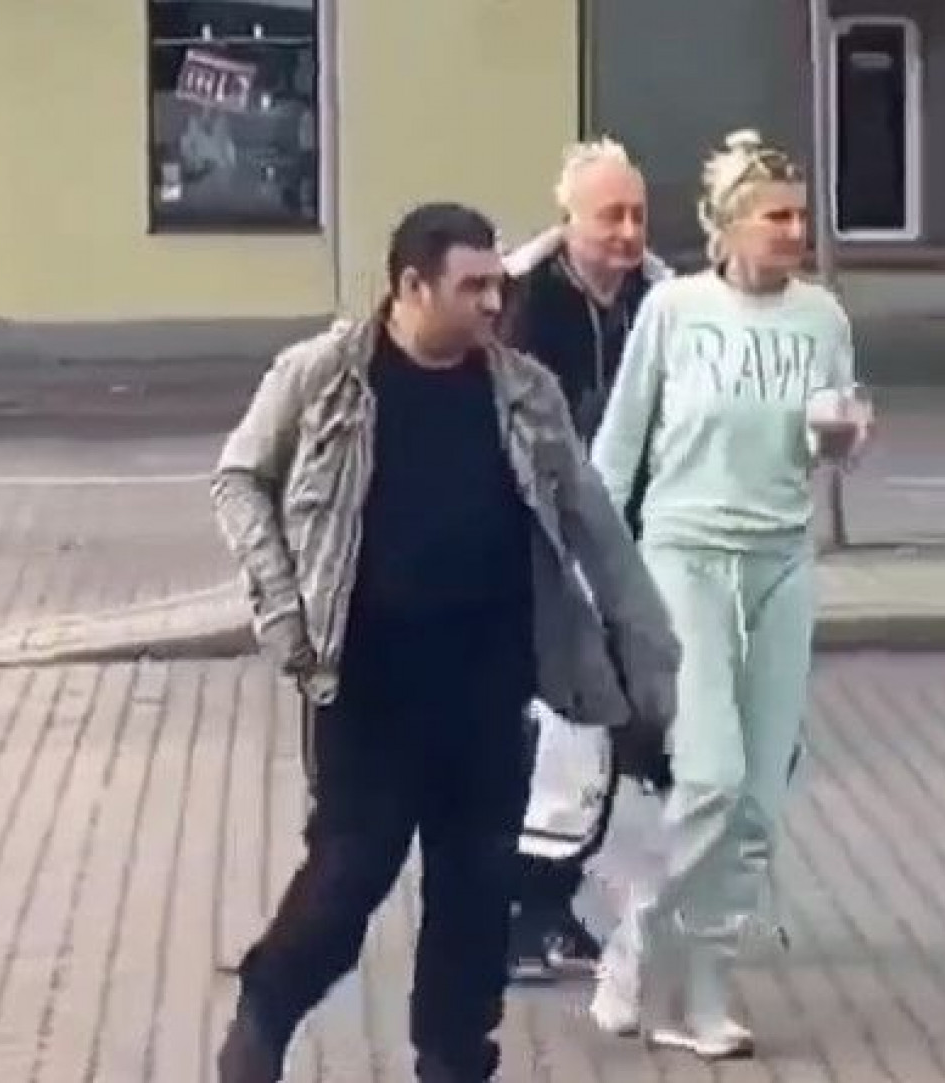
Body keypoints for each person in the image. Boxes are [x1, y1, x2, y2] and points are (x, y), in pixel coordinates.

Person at [210, 201, 680, 1083]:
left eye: (498, 284)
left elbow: (595, 527)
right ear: (411, 286)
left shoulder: (523, 391)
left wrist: (648, 663)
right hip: (370, 689)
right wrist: (282, 610)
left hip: (489, 689)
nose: (494, 303)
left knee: (474, 894)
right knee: (347, 879)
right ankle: (265, 1013)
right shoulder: (324, 376)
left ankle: (454, 1061)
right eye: (473, 287)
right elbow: (239, 477)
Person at [587, 130, 874, 1059]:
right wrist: (601, 575)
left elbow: (833, 435)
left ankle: (701, 988)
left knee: (755, 800)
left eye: (802, 216)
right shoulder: (675, 310)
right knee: (708, 776)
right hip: (684, 555)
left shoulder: (822, 317)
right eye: (776, 215)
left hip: (781, 561)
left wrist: (843, 439)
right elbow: (618, 445)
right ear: (729, 225)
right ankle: (641, 949)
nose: (795, 230)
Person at [498, 137, 673, 980]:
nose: (628, 232)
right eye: (611, 216)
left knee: (610, 728)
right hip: (542, 536)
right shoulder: (521, 299)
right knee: (567, 733)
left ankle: (549, 905)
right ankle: (523, 912)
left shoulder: (665, 298)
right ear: (569, 219)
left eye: (638, 214)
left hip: (631, 537)